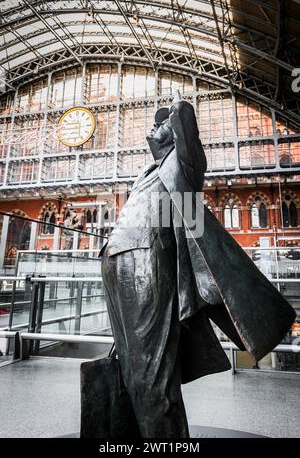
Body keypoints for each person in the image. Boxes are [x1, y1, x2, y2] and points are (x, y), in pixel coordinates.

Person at [101, 92, 295, 438]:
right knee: (133, 369)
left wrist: (178, 105)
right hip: (119, 262)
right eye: (156, 121)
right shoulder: (152, 174)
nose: (155, 126)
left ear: (176, 132)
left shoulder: (185, 165)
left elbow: (185, 125)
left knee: (151, 376)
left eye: (164, 122)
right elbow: (175, 222)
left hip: (146, 260)